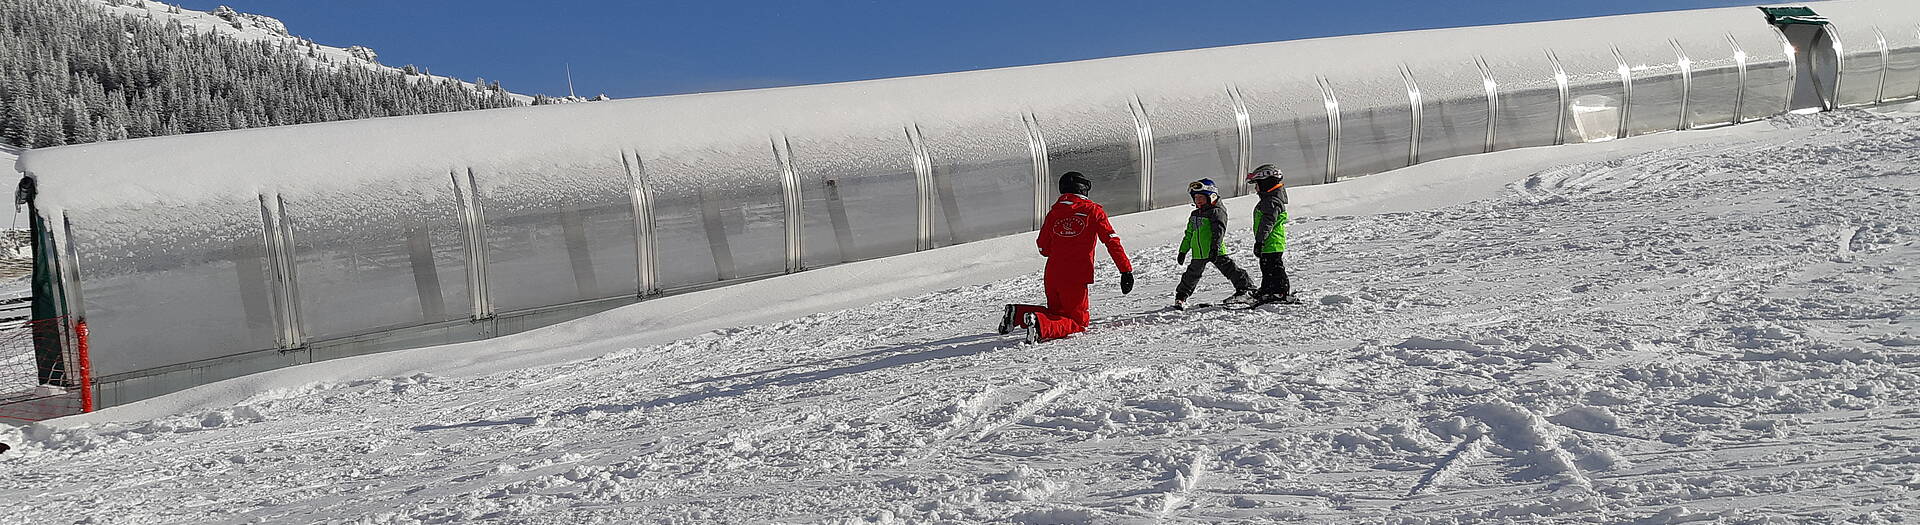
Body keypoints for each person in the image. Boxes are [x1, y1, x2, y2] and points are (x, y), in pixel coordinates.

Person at [998, 171, 1134, 343]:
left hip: (1053, 274)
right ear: (1084, 188)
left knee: (1058, 314)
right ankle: (1040, 325)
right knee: (1078, 322)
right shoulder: (1093, 211)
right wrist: (1125, 270)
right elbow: (1111, 241)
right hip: (1076, 275)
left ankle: (1017, 314)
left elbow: (1042, 246)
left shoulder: (1055, 212)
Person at [1174, 178, 1254, 309]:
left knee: (1230, 269)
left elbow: (1219, 231)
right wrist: (1183, 251)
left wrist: (1215, 248)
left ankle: (1246, 289)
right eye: (1196, 197)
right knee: (1191, 275)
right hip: (1199, 252)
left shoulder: (1216, 212)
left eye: (1201, 197)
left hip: (1215, 250)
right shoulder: (1194, 214)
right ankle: (1181, 296)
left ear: (1211, 196)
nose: (1198, 200)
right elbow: (1189, 234)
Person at [1246, 164, 1295, 303]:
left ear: (1266, 183)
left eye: (1257, 185)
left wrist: (1260, 241)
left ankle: (1280, 291)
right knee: (1266, 267)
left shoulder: (1271, 202)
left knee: (1274, 267)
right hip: (1269, 243)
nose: (1255, 189)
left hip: (1272, 242)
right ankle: (1267, 289)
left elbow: (1267, 223)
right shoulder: (1269, 200)